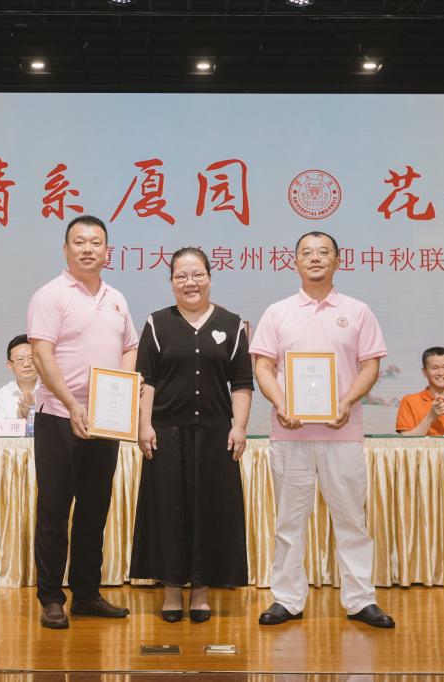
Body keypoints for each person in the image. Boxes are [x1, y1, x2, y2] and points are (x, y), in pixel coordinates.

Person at [250, 230, 395, 629]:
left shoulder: (358, 311)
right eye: (307, 253)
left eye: (323, 252)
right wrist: (281, 403)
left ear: (337, 260)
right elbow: (263, 366)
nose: (315, 258)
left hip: (342, 434)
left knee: (351, 521)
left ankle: (360, 599)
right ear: (295, 261)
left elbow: (370, 366)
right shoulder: (277, 312)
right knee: (288, 522)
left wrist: (346, 402)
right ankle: (287, 599)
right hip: (290, 434)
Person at [27, 215, 139, 629]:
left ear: (107, 251)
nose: (88, 248)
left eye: (96, 242)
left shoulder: (116, 298)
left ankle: (87, 594)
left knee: (94, 511)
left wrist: (122, 392)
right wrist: (73, 405)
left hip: (105, 422)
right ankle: (51, 598)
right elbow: (42, 354)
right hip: (60, 417)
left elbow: (130, 347)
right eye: (79, 241)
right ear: (66, 249)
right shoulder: (51, 295)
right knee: (54, 512)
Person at [130, 247, 254, 623]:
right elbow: (146, 380)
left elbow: (242, 383)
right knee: (167, 512)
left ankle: (201, 590)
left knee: (210, 512)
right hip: (166, 433)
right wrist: (144, 424)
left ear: (210, 278)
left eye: (197, 274)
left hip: (216, 434)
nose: (190, 282)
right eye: (181, 276)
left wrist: (239, 426)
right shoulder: (157, 323)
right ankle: (171, 589)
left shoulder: (232, 324)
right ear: (171, 282)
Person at [0, 334, 38, 420]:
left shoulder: (53, 392)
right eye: (20, 359)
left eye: (31, 358)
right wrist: (21, 418)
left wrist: (34, 414)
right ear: (10, 365)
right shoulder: (0, 397)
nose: (26, 364)